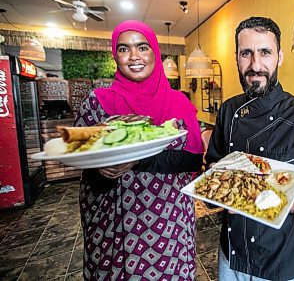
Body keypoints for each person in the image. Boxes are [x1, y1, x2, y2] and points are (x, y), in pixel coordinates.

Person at [205, 16, 294, 281]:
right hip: (231, 255)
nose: (255, 65)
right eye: (246, 53)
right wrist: (215, 187)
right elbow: (214, 164)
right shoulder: (229, 110)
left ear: (279, 57)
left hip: (280, 262)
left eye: (265, 52)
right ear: (237, 58)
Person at [73, 20, 203, 280]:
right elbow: (80, 157)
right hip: (114, 226)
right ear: (116, 55)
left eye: (142, 47)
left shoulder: (179, 102)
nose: (134, 56)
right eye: (124, 49)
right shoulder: (97, 102)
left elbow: (192, 160)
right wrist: (101, 171)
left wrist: (135, 160)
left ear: (154, 51)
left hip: (170, 227)